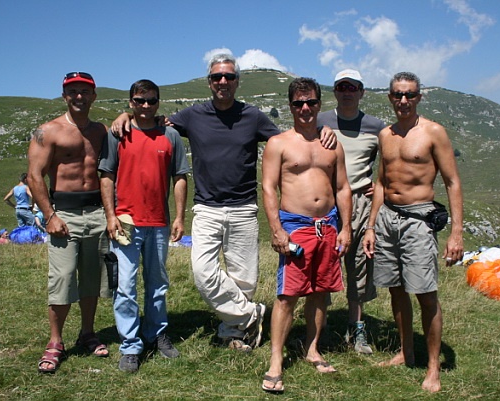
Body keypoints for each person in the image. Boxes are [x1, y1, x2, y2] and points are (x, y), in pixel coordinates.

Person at [111, 54, 337, 352]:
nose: (223, 81)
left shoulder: (252, 116)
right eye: (217, 77)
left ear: (237, 81)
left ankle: (234, 333)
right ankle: (252, 314)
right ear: (209, 82)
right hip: (206, 208)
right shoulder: (192, 116)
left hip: (244, 208)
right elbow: (151, 120)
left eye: (229, 76)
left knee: (244, 279)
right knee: (203, 274)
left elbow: (289, 138)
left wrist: (321, 130)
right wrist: (125, 116)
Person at [362, 72, 463, 393]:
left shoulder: (433, 132)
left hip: (419, 219)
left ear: (419, 97)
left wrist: (456, 233)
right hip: (387, 217)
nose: (403, 100)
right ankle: (406, 352)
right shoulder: (385, 135)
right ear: (390, 97)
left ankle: (433, 367)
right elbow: (381, 182)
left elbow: (452, 182)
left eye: (409, 94)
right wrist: (371, 226)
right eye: (397, 94)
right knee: (395, 289)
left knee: (425, 293)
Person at [261, 78, 352, 393]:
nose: (305, 108)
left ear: (319, 104)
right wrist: (277, 229)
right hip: (296, 226)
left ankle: (312, 348)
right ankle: (276, 360)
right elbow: (269, 187)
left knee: (320, 291)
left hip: (327, 225)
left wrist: (346, 227)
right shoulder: (279, 143)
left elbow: (342, 187)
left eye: (311, 102)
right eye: (299, 103)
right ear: (290, 106)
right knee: (287, 295)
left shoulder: (331, 144)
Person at [99, 79, 190, 373]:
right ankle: (130, 346)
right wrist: (110, 216)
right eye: (140, 101)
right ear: (131, 103)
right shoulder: (118, 134)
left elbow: (180, 177)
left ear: (158, 102)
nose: (146, 106)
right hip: (125, 222)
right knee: (125, 287)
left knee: (157, 284)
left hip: (159, 222)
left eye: (151, 100)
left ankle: (156, 334)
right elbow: (106, 175)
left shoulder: (170, 136)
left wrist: (179, 217)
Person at [27, 72, 111, 374]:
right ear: (64, 96)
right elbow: (35, 175)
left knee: (92, 278)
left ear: (93, 96)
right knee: (62, 278)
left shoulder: (101, 131)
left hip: (96, 212)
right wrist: (50, 215)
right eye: (73, 91)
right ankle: (55, 341)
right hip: (64, 213)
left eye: (85, 92)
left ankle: (87, 332)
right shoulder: (48, 131)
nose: (79, 97)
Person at [317, 69, 386, 354]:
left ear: (361, 92)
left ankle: (356, 328)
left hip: (361, 202)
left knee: (359, 264)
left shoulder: (376, 127)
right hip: (326, 202)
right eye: (342, 87)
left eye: (352, 87)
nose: (347, 92)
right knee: (322, 264)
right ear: (335, 91)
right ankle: (319, 329)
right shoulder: (320, 121)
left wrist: (381, 186)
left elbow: (388, 162)